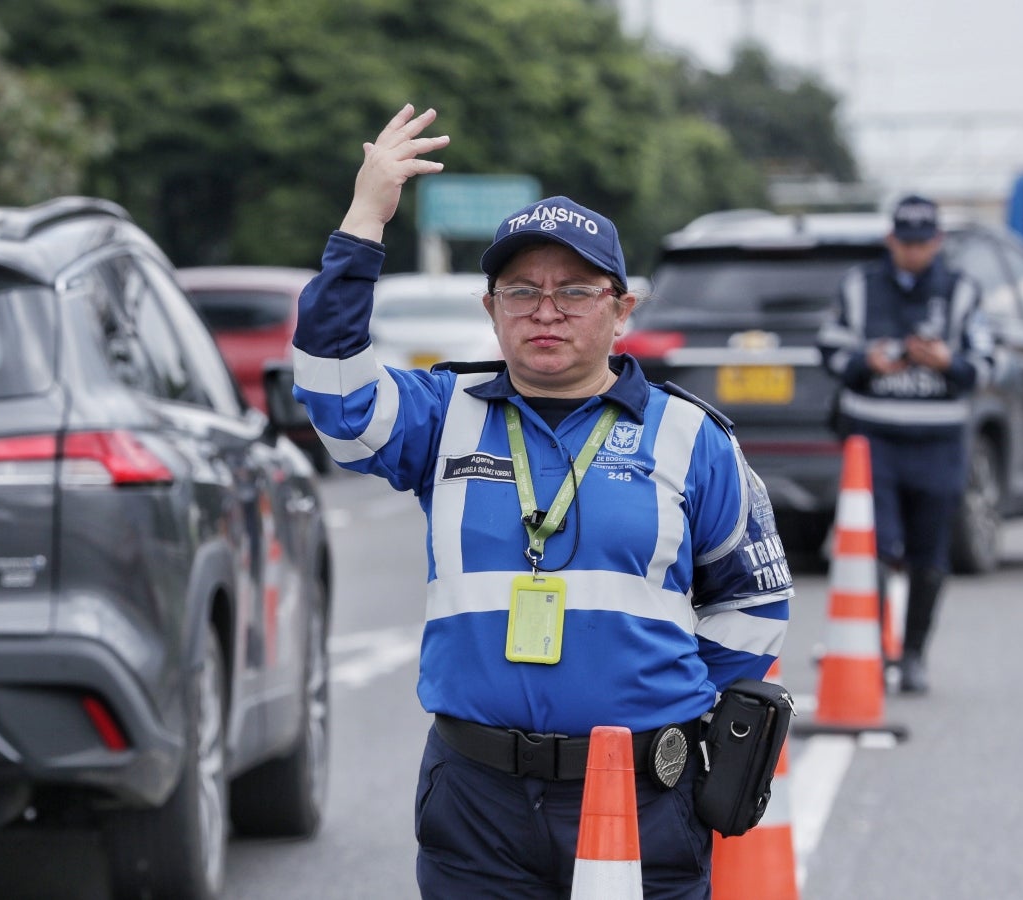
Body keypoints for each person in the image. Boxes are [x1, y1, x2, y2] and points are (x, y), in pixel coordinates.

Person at [292, 104, 792, 899]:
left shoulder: (691, 437)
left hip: (641, 792)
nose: (546, 311)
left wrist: (668, 703)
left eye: (575, 291)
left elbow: (756, 596)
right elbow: (333, 398)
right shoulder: (441, 413)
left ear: (623, 310)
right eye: (521, 292)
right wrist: (363, 221)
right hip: (477, 794)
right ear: (490, 310)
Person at [818, 194, 994, 694]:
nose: (913, 251)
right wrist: (869, 360)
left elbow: (984, 365)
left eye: (923, 242)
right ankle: (871, 647)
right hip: (872, 441)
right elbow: (829, 351)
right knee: (875, 547)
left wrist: (944, 361)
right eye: (905, 241)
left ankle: (914, 653)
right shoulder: (859, 286)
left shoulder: (961, 291)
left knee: (929, 555)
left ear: (936, 242)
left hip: (938, 443)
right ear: (890, 239)